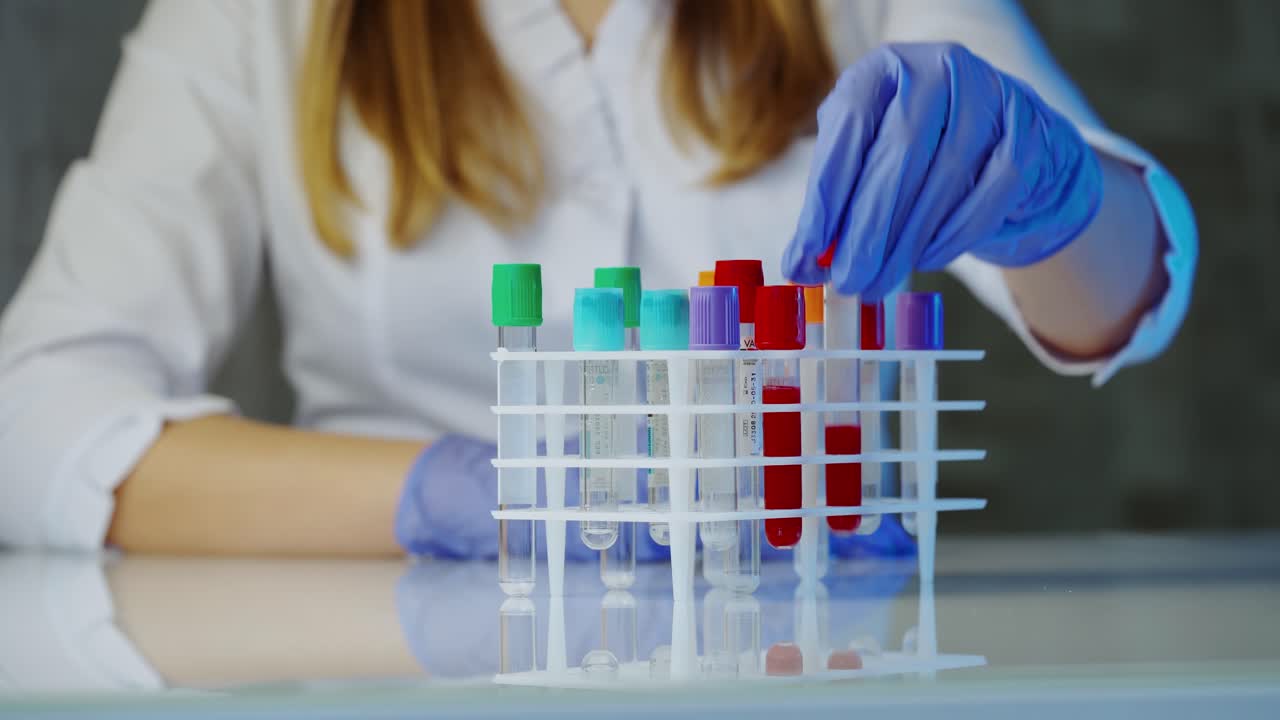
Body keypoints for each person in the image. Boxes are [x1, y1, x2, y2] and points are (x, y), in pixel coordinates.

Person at [0, 0, 1195, 555]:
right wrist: (456, 496)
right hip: (380, 662)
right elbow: (33, 417)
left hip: (794, 656)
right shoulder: (258, 18)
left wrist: (1058, 199)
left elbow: (1122, 303)